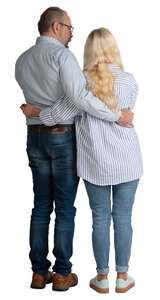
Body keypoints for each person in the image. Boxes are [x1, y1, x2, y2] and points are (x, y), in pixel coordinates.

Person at [15, 7, 133, 292]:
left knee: (41, 205)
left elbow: (66, 100)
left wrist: (37, 111)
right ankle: (62, 273)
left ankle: (38, 272)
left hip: (34, 136)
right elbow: (79, 99)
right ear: (56, 27)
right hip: (62, 137)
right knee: (65, 207)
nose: (70, 35)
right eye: (69, 28)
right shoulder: (62, 56)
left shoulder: (21, 59)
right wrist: (116, 115)